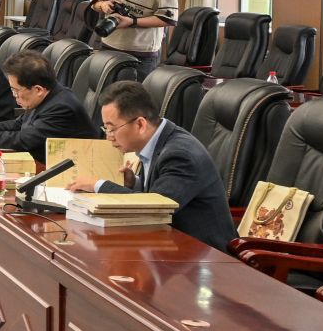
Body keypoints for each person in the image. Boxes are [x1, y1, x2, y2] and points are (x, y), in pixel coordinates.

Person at [67, 81, 234, 250]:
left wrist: (97, 185)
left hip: (206, 255)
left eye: (112, 129)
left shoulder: (180, 155)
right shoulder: (159, 140)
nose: (108, 137)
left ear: (140, 124)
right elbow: (160, 192)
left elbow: (154, 209)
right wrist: (134, 183)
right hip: (168, 244)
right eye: (106, 129)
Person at [0, 51, 99, 162]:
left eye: (16, 90)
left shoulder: (61, 107)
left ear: (38, 90)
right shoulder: (47, 94)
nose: (13, 96)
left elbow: (23, 140)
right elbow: (18, 124)